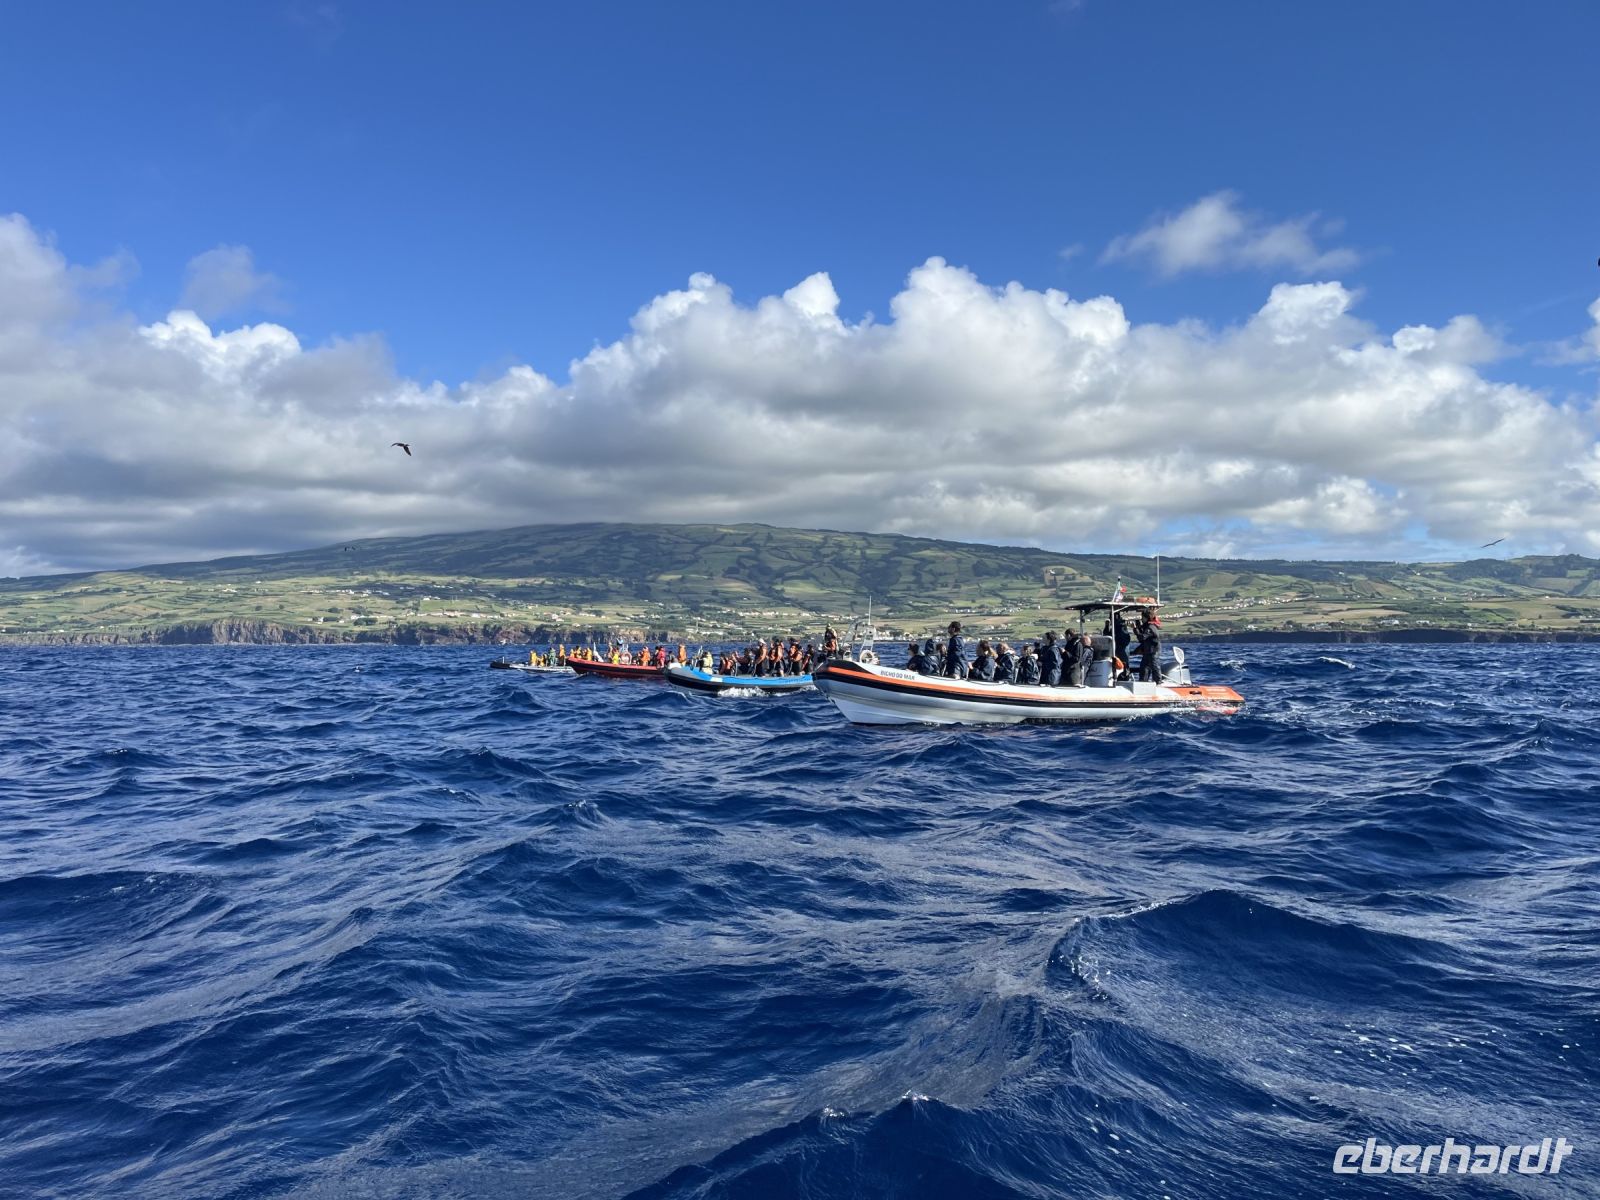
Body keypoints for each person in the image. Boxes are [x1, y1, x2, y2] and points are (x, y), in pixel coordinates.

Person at [1135, 612, 1163, 682]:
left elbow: (1142, 637)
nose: (1141, 619)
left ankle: (1158, 682)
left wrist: (1135, 629)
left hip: (1153, 651)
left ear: (1146, 618)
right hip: (1148, 651)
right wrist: (1138, 627)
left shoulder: (1150, 628)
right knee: (1144, 669)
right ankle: (1143, 682)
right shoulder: (1147, 626)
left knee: (1154, 666)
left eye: (1142, 617)